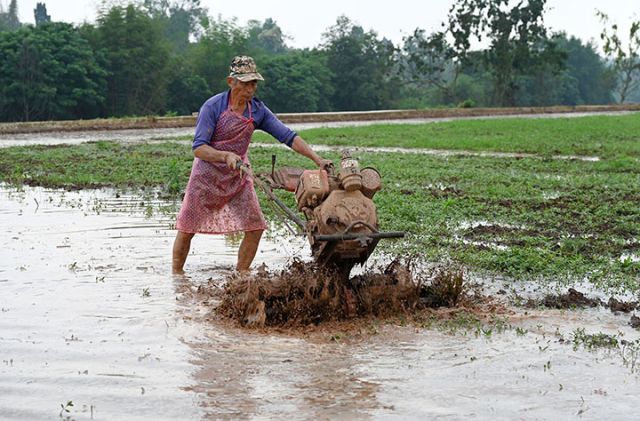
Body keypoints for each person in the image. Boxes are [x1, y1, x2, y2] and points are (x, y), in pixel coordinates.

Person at [172, 56, 331, 274]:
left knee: (255, 227)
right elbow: (199, 148)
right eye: (246, 83)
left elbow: (288, 136)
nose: (251, 88)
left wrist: (317, 159)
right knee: (187, 227)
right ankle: (177, 277)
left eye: (254, 83)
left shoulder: (257, 111)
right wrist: (225, 155)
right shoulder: (213, 107)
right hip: (206, 176)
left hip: (238, 176)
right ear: (231, 82)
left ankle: (241, 275)